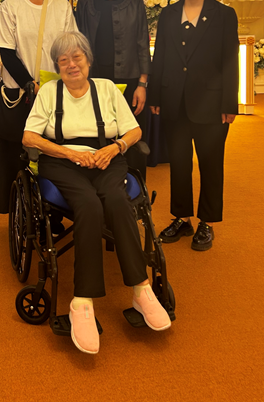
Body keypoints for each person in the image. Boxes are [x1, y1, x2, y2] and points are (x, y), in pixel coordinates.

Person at [23, 31, 171, 355]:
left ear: (88, 60)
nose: (71, 64)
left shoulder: (106, 89)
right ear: (57, 66)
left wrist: (115, 148)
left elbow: (135, 130)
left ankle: (141, 290)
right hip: (62, 162)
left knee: (118, 201)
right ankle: (82, 302)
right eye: (63, 60)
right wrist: (69, 153)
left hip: (107, 157)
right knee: (88, 205)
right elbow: (29, 138)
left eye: (77, 57)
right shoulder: (49, 92)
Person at [148, 0, 239, 251]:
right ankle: (182, 218)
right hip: (173, 102)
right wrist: (156, 96)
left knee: (211, 165)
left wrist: (229, 104)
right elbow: (160, 56)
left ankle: (207, 222)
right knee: (179, 164)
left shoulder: (224, 15)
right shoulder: (168, 14)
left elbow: (230, 61)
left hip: (212, 104)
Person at [0, 0, 76, 215]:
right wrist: (30, 84)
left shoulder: (61, 6)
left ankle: (53, 211)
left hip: (54, 93)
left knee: (53, 154)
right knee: (18, 154)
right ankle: (20, 213)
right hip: (20, 94)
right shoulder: (10, 7)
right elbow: (6, 52)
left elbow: (70, 48)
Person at [75, 0, 150, 178]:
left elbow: (142, 43)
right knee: (96, 135)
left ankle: (134, 189)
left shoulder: (135, 3)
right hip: (94, 82)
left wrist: (142, 84)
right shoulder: (85, 4)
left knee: (129, 137)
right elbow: (79, 45)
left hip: (129, 81)